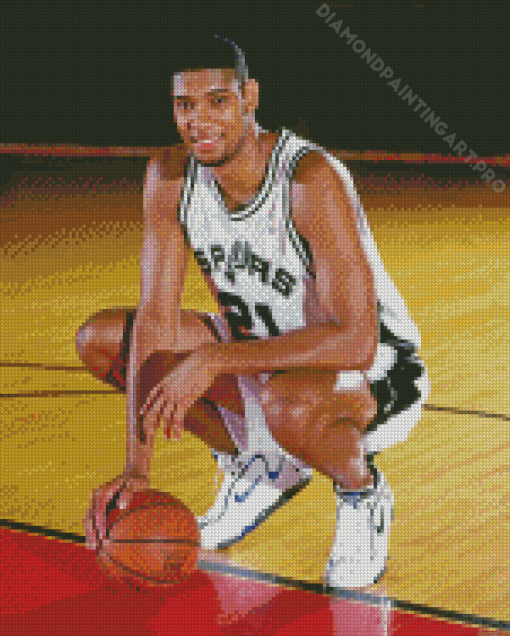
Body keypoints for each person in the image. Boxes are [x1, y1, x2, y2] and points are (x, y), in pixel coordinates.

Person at [80, 35, 430, 589]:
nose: (199, 121)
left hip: (374, 369)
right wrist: (137, 470)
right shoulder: (169, 176)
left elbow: (356, 341)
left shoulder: (308, 180)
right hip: (258, 359)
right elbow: (154, 323)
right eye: (184, 105)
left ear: (251, 97)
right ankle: (259, 467)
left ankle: (361, 492)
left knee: (285, 401)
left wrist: (217, 357)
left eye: (217, 101)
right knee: (103, 339)